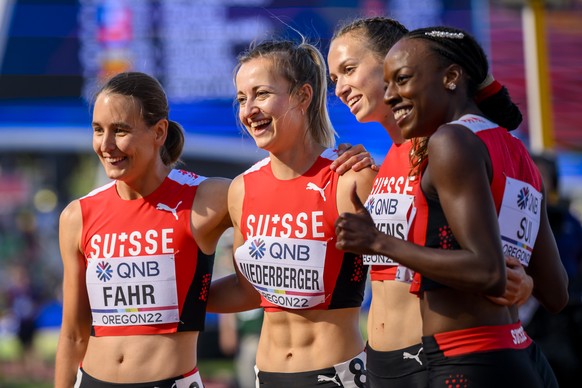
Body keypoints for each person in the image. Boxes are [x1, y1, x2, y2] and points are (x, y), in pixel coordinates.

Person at [54, 71, 371, 388]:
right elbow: (72, 334)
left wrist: (333, 162)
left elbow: (287, 196)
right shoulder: (77, 216)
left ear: (159, 131)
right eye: (98, 130)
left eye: (120, 130)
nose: (106, 145)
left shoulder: (210, 197)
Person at [335, 26, 569, 387]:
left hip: (453, 359)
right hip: (505, 353)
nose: (390, 92)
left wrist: (377, 240)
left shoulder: (449, 143)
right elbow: (552, 290)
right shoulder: (507, 147)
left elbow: (488, 268)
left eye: (349, 70)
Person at [208, 37, 377, 387]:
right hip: (266, 375)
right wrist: (177, 296)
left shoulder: (349, 178)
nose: (248, 109)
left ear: (303, 96)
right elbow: (247, 292)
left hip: (338, 374)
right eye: (242, 98)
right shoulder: (241, 189)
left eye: (262, 94)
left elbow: (403, 277)